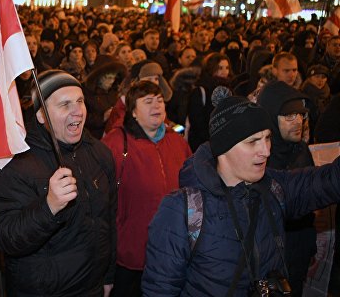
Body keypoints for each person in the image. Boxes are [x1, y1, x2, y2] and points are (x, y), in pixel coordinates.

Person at [142, 91, 340, 296]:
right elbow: (159, 290)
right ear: (224, 147)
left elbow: (328, 181)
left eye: (267, 138)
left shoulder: (274, 188)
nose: (265, 151)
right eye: (253, 141)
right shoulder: (182, 210)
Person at [0, 70, 116, 296]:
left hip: (91, 287)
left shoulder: (99, 153)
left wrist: (108, 275)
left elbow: (108, 220)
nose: (77, 111)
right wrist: (49, 207)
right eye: (65, 104)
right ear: (41, 115)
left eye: (79, 101)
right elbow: (6, 237)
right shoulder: (18, 163)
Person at [102, 81, 191, 296]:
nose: (157, 106)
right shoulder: (115, 143)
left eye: (160, 101)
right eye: (148, 101)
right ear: (133, 112)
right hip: (131, 254)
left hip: (174, 252)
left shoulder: (177, 141)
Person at [257, 81, 316, 296]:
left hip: (298, 252)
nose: (298, 121)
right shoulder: (259, 159)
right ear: (271, 117)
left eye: (301, 115)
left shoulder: (301, 151)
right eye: (289, 116)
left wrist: (310, 246)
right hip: (268, 261)